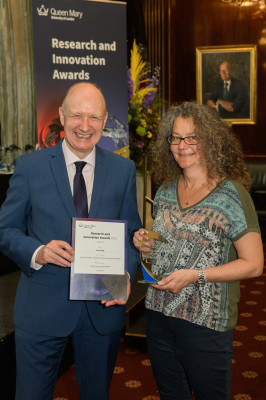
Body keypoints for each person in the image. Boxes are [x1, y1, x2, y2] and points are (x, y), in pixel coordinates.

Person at [0, 82, 142, 400]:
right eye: (77, 115)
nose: (85, 125)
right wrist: (39, 251)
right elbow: (5, 231)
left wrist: (126, 276)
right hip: (41, 307)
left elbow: (132, 234)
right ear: (62, 116)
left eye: (94, 117)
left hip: (102, 306)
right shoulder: (29, 168)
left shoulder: (123, 170)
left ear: (105, 121)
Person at [133, 101, 264, 400]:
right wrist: (145, 241)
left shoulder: (231, 194)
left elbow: (254, 264)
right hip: (158, 315)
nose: (183, 146)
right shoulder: (165, 189)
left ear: (209, 140)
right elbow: (161, 244)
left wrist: (196, 275)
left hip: (206, 325)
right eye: (176, 138)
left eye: (192, 137)